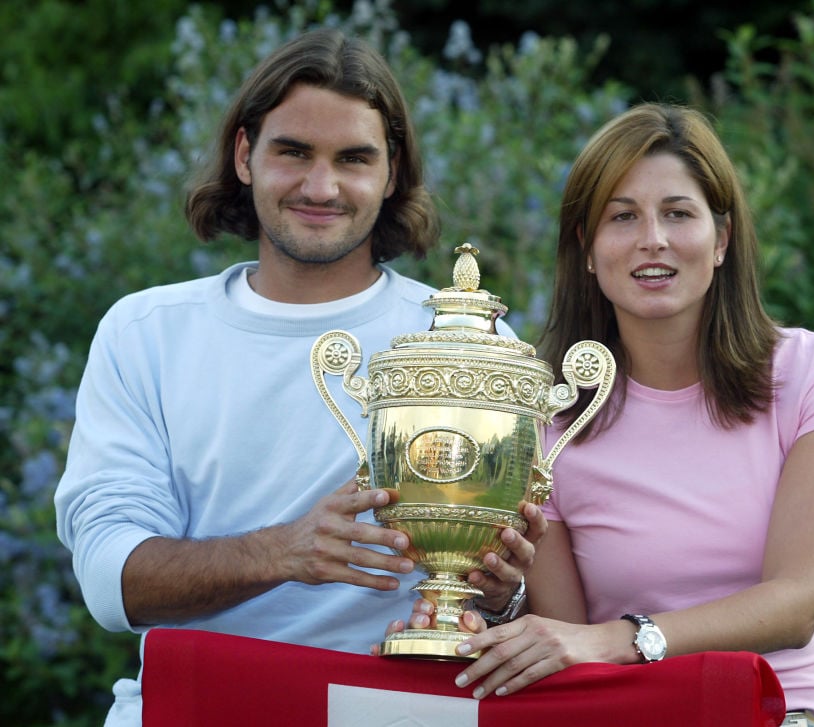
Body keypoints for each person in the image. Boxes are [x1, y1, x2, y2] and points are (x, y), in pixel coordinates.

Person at [54, 28, 542, 726]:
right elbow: (110, 582)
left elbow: (521, 596)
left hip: (401, 712)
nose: (322, 185)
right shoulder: (145, 333)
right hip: (196, 703)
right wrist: (284, 551)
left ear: (393, 171)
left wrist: (497, 595)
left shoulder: (471, 344)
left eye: (353, 158)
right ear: (245, 155)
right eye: (293, 152)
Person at [398, 103, 814, 726]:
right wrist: (490, 614)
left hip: (796, 713)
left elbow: (799, 603)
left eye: (678, 213)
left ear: (722, 239)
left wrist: (619, 638)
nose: (654, 237)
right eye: (623, 217)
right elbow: (567, 642)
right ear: (589, 250)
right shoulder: (546, 414)